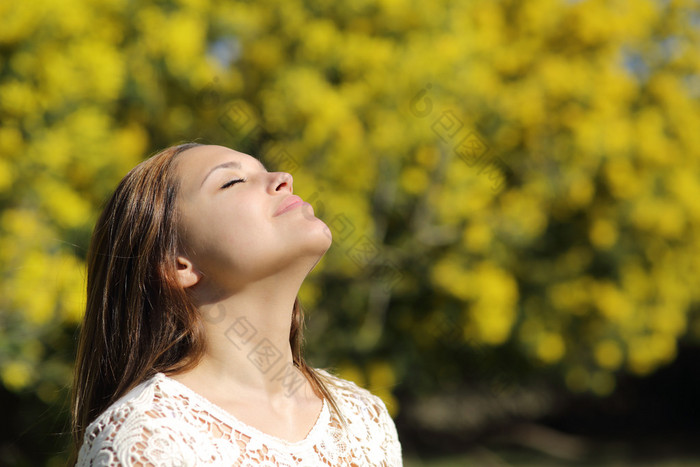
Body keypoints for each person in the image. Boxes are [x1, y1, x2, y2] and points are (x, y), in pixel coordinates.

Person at [70, 143, 402, 466]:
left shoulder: (363, 420)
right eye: (233, 181)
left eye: (265, 170)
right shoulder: (146, 439)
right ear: (177, 264)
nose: (283, 177)